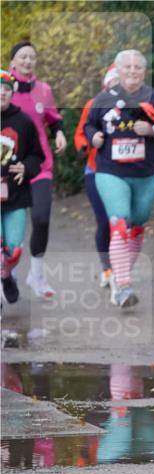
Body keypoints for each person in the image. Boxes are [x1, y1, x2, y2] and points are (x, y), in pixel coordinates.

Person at [84, 49, 154, 308]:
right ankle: (123, 286)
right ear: (119, 69)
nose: (133, 71)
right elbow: (88, 126)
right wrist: (94, 137)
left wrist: (152, 130)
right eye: (128, 67)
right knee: (120, 224)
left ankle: (119, 275)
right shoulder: (104, 98)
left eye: (138, 67)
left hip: (146, 173)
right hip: (110, 172)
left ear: (144, 72)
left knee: (136, 225)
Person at [9, 41, 66, 299]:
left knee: (41, 218)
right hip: (9, 171)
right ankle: (6, 272)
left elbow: (54, 119)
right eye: (23, 57)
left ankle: (37, 274)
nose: (28, 61)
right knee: (9, 231)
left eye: (32, 57)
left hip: (39, 166)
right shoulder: (4, 90)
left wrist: (61, 134)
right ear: (13, 62)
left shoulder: (44, 90)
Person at [1, 69, 45, 304]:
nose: (1, 93)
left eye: (6, 89)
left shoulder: (23, 122)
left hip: (15, 196)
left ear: (12, 93)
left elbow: (37, 156)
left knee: (13, 250)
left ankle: (7, 276)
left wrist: (26, 168)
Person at [74, 64, 120, 288]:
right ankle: (107, 268)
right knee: (104, 222)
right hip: (95, 171)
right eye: (114, 81)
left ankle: (120, 269)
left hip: (123, 174)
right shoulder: (94, 105)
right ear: (106, 84)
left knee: (121, 224)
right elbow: (81, 132)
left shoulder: (135, 105)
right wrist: (88, 143)